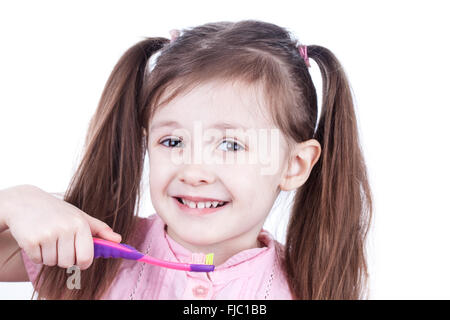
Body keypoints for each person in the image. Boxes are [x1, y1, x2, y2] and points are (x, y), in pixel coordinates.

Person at [0, 19, 372, 299]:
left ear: (295, 165)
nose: (194, 171)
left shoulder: (309, 287)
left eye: (230, 145)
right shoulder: (88, 252)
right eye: (173, 140)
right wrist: (15, 202)